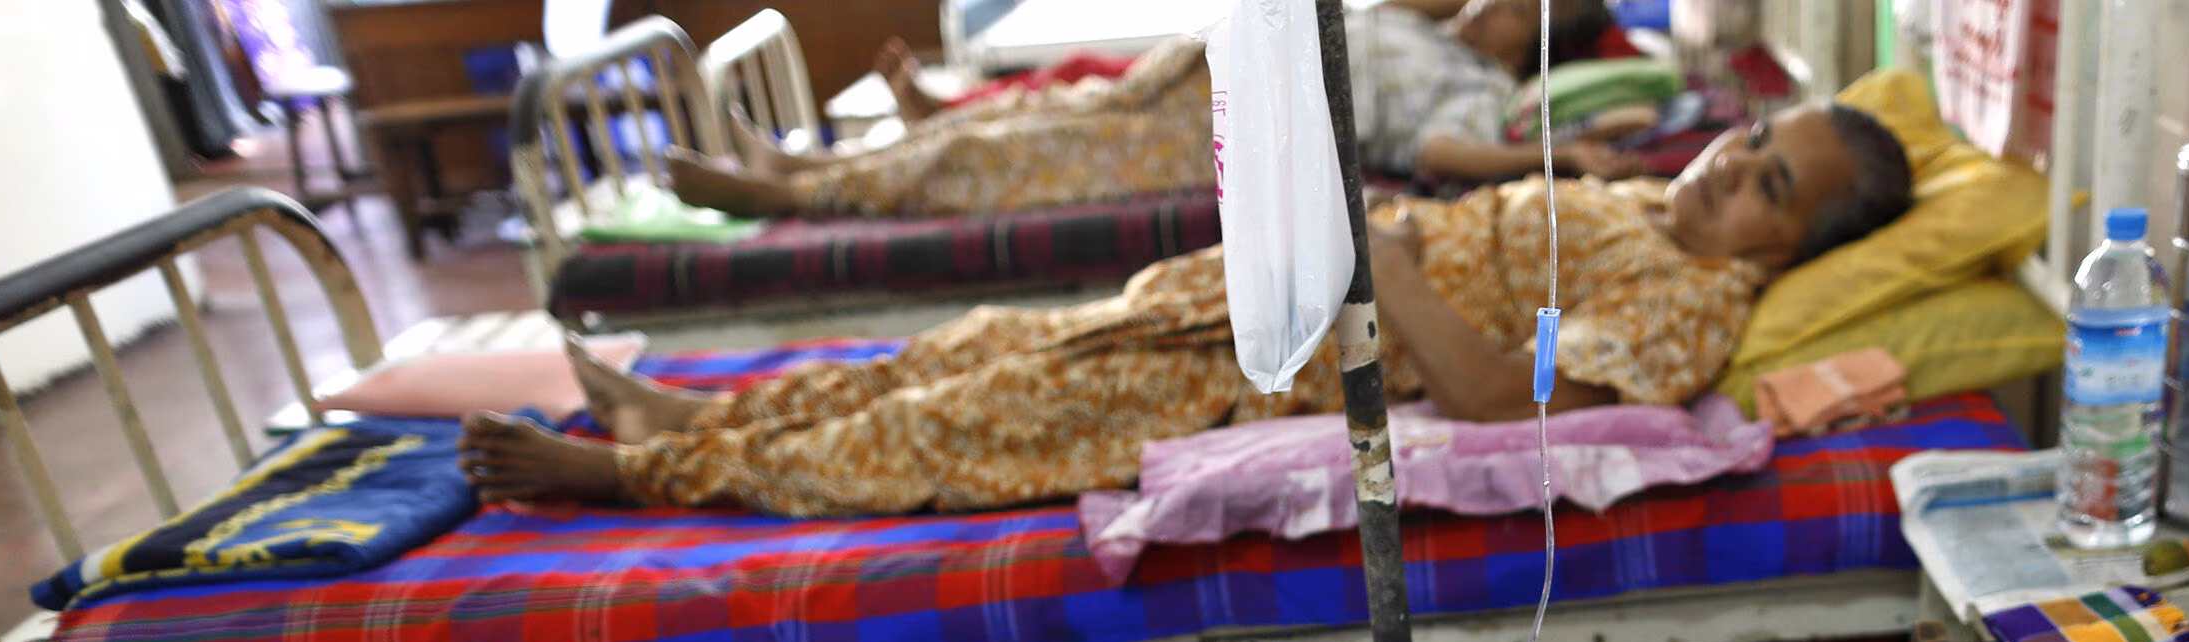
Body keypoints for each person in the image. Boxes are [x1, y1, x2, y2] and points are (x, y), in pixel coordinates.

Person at [454, 103, 1915, 516]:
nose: (1730, 168)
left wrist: (1381, 249)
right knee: (967, 348)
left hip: (1277, 363)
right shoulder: (1628, 196)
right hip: (1242, 292)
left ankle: (636, 472)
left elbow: (1490, 394)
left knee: (961, 423)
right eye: (1752, 139)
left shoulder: (1683, 307)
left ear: (1784, 252)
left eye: (1768, 187)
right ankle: (706, 415)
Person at [671, 0, 1630, 224]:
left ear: (1532, 40)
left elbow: (1441, 150)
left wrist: (1567, 155)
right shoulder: (1434, 35)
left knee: (998, 163)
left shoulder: (1476, 90)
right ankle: (808, 168)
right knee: (1007, 122)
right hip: (1196, 80)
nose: (1483, 3)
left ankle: (797, 201)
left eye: (1509, 4)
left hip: (1227, 136)